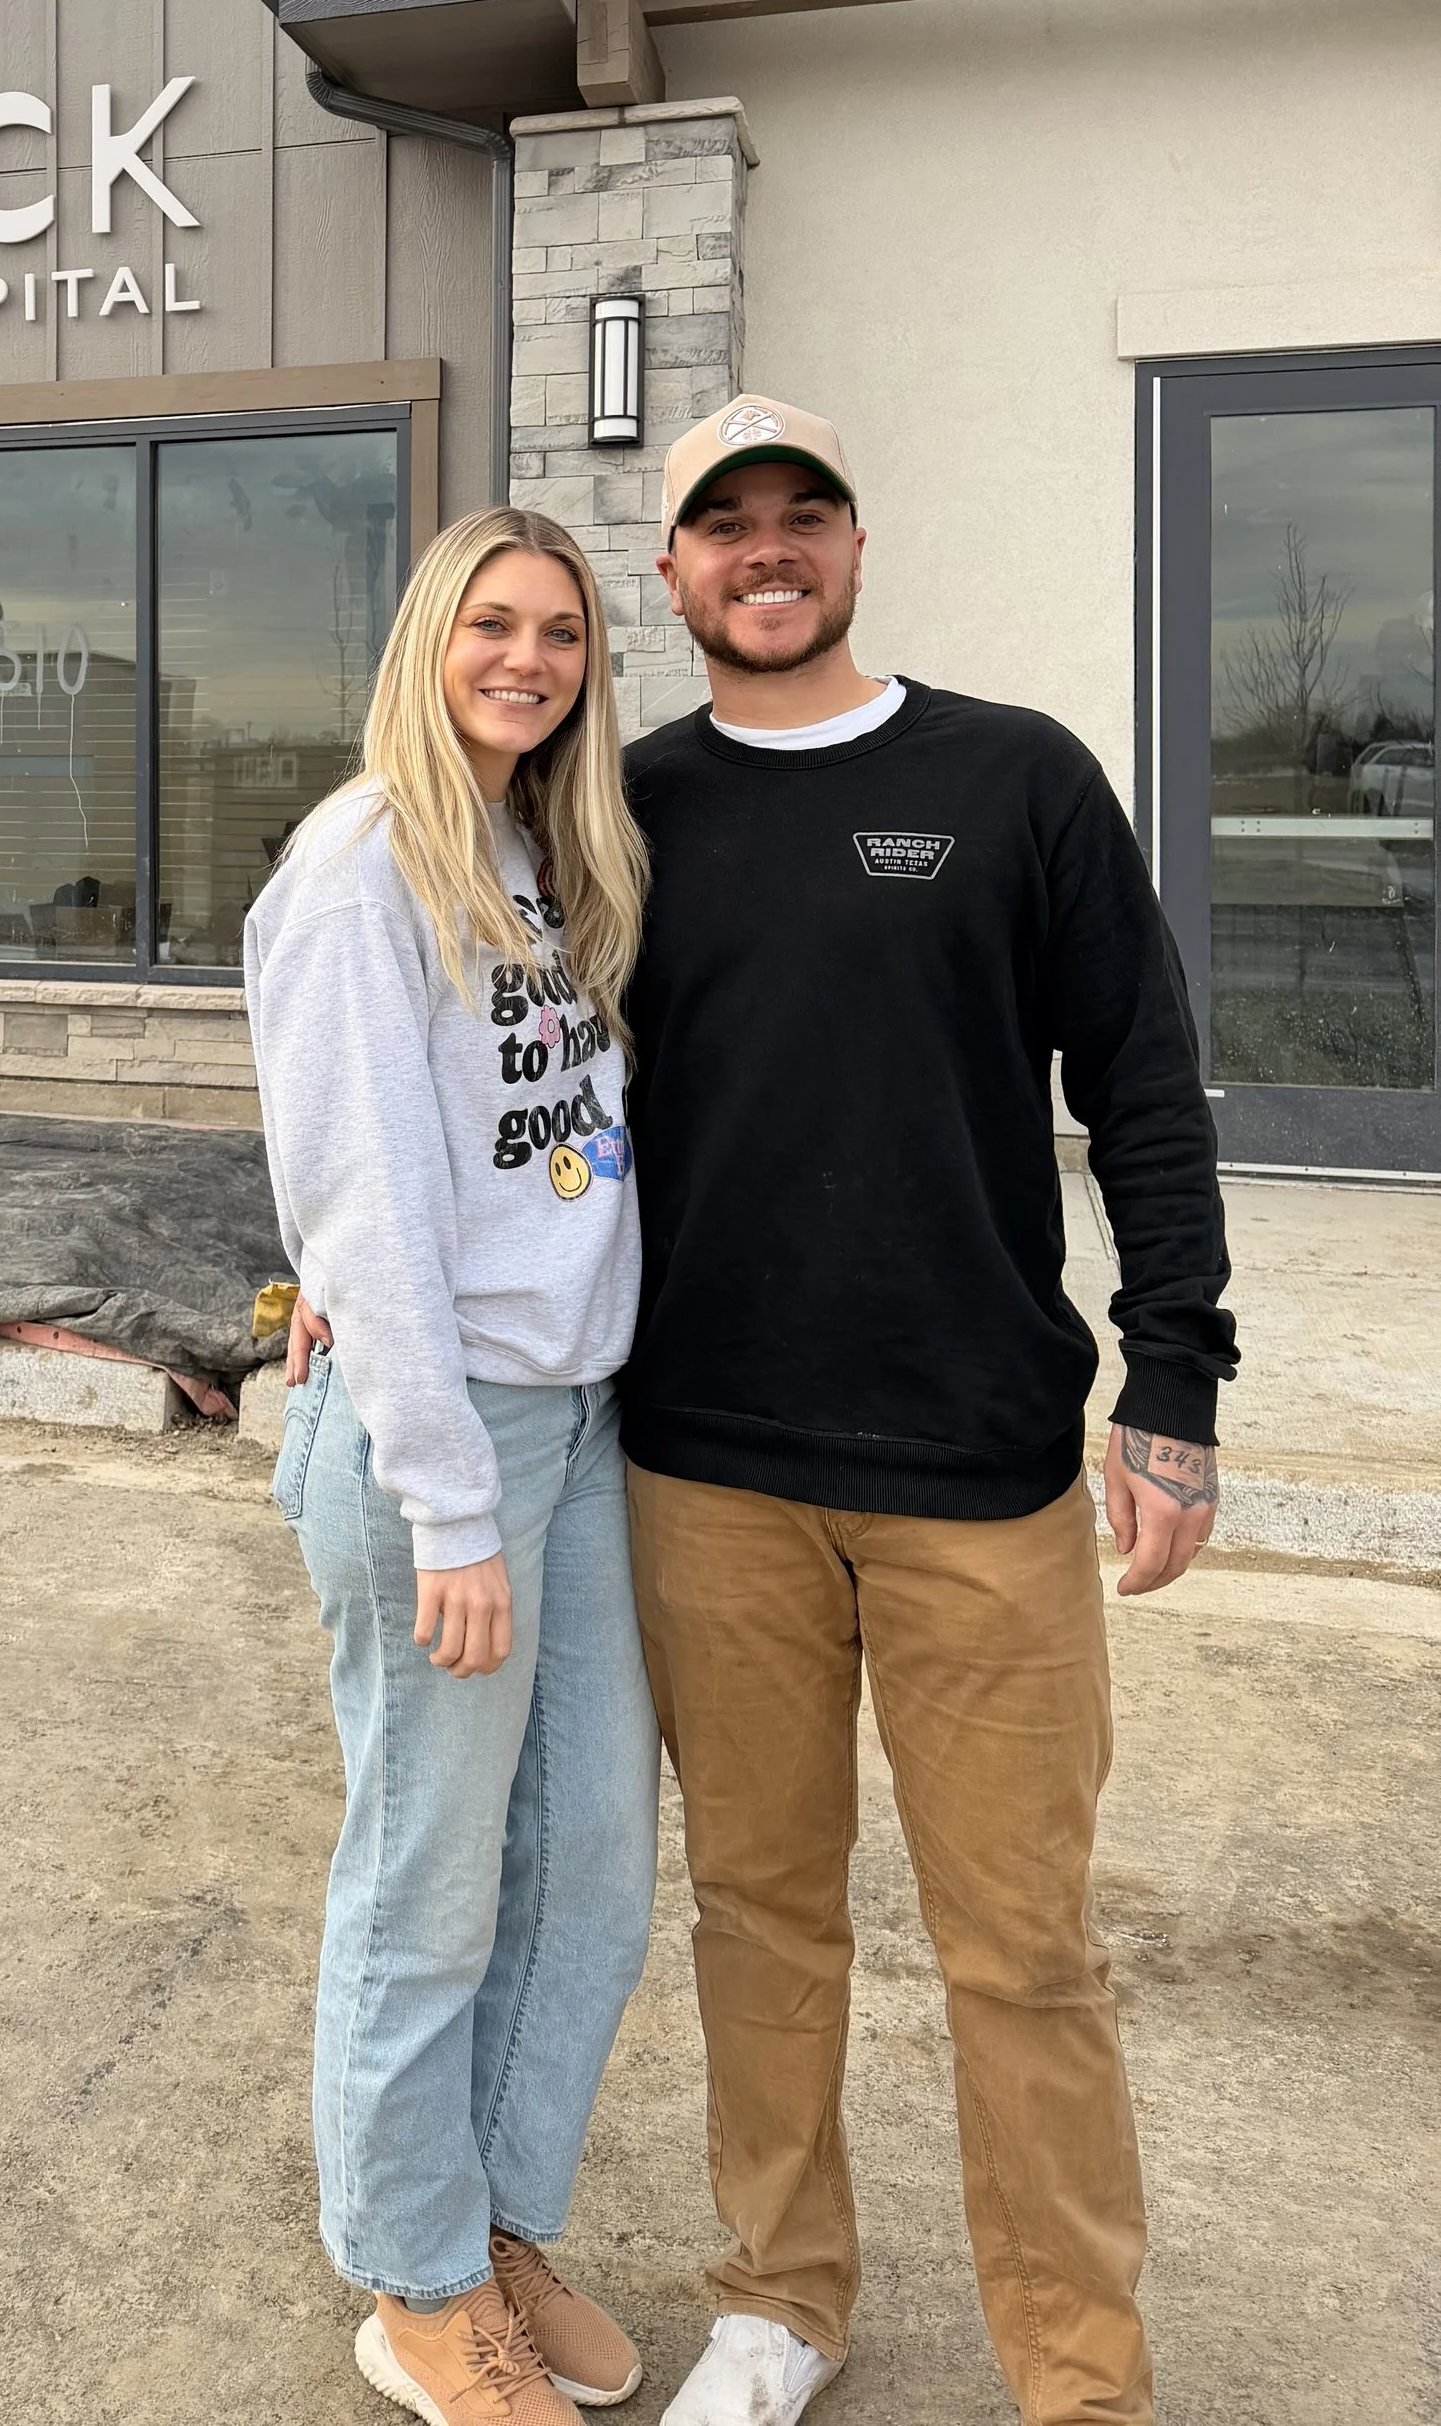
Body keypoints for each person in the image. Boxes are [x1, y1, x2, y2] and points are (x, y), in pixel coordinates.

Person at [622, 394, 1236, 2426]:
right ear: (672, 570)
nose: (765, 549)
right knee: (758, 1917)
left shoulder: (1011, 777)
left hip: (976, 1474)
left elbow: (1138, 1083)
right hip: (705, 1469)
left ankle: (1075, 2373)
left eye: (802, 515)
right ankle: (776, 2301)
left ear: (853, 549)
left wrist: (1172, 1372)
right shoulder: (615, 812)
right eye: (724, 524)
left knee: (1022, 1952)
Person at [248, 506, 663, 2426]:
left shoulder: (539, 849)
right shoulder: (360, 872)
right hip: (454, 1450)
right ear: (427, 642)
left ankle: (494, 2224)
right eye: (490, 625)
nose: (527, 658)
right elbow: (366, 1208)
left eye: (560, 631)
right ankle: (412, 2286)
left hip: (570, 1424)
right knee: (430, 1881)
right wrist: (447, 1491)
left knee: (586, 1859)